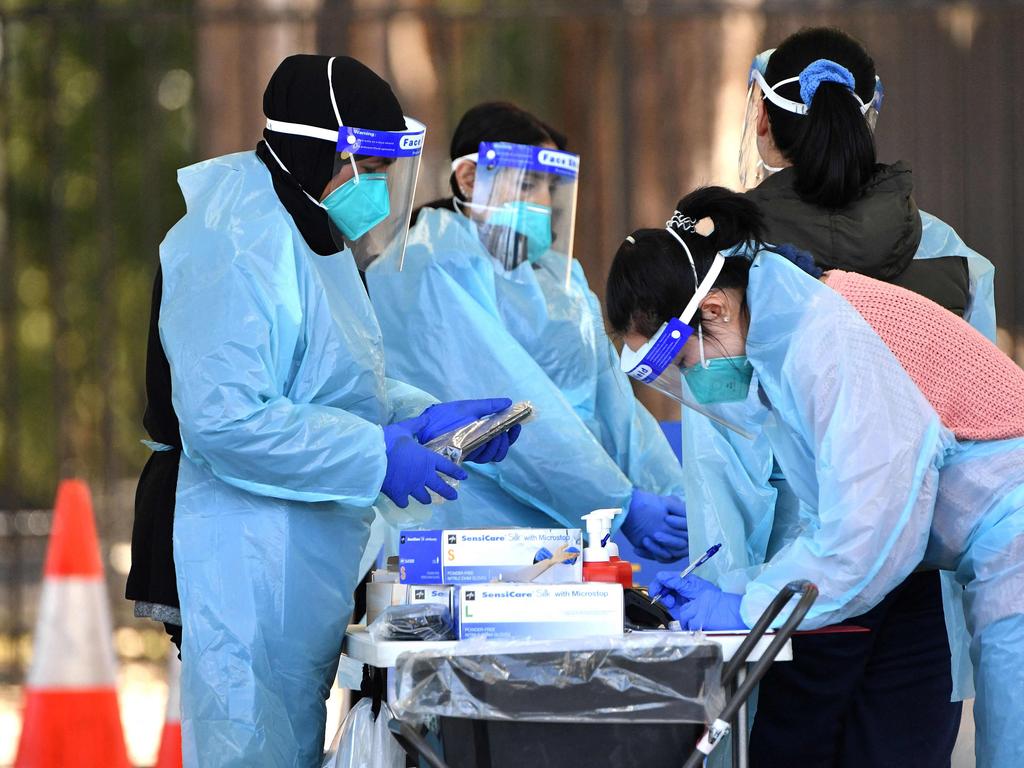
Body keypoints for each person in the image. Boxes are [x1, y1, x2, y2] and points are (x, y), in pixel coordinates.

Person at [132, 55, 521, 766]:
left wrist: (431, 418)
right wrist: (376, 453)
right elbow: (226, 421)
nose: (375, 188)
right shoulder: (236, 236)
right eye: (366, 166)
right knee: (248, 748)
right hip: (234, 552)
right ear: (320, 149)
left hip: (289, 553)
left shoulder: (309, 224)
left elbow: (337, 385)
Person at [607, 186, 1024, 768]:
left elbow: (868, 538)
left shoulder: (826, 337)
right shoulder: (790, 338)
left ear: (714, 311)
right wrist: (737, 587)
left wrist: (746, 607)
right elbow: (839, 522)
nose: (690, 384)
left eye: (680, 363)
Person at [686, 27, 996, 766]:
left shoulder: (726, 256)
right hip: (923, 582)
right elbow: (977, 419)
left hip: (796, 595)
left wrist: (731, 600)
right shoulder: (950, 253)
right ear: (869, 116)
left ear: (761, 117)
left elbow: (723, 454)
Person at [366, 102, 687, 561]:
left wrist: (673, 495)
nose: (543, 201)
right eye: (529, 182)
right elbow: (513, 407)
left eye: (550, 185)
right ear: (470, 178)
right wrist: (621, 502)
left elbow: (615, 405)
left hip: (562, 535)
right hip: (460, 535)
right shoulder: (430, 265)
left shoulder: (558, 280)